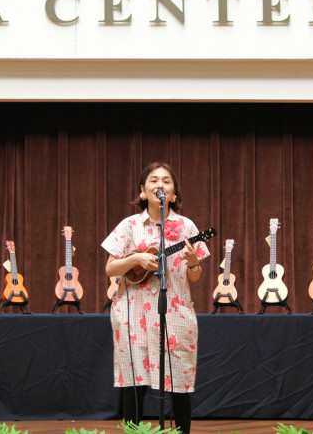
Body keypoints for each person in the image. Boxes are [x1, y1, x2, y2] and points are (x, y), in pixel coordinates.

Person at [101, 162, 210, 434]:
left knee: (178, 382)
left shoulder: (186, 226)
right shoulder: (128, 226)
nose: (159, 185)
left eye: (166, 181)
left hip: (174, 311)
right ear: (142, 191)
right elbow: (110, 268)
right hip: (132, 312)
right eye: (153, 180)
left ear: (173, 194)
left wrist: (194, 262)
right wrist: (135, 258)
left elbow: (194, 276)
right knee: (133, 384)